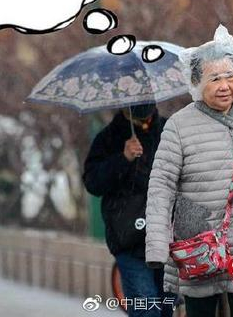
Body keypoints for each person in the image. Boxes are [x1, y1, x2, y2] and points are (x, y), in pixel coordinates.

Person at [145, 24, 233, 317]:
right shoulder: (178, 126)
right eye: (214, 78)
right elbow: (161, 188)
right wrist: (157, 247)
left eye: (230, 76)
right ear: (197, 83)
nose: (225, 85)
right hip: (199, 248)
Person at [83, 103, 176, 317]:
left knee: (166, 308)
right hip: (129, 237)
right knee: (146, 307)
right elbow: (93, 182)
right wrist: (122, 158)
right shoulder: (108, 138)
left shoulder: (169, 131)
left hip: (167, 238)